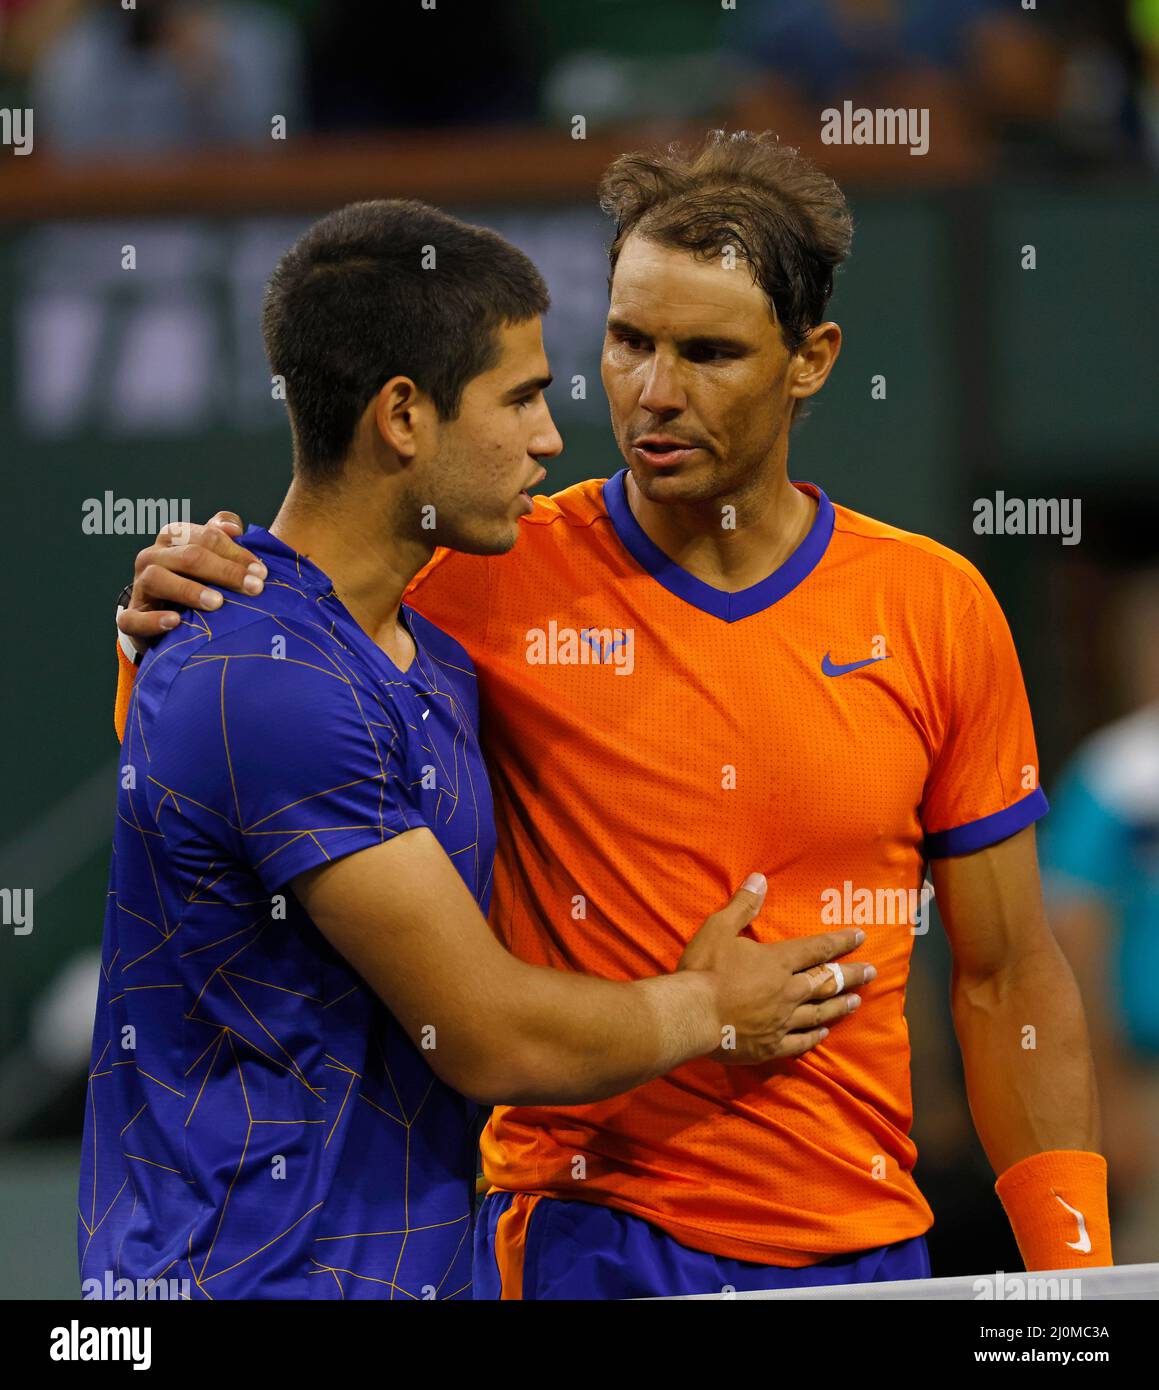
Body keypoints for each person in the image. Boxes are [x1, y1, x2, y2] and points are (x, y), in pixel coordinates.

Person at [118, 132, 1110, 1300]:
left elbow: (1005, 974)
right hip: (577, 1236)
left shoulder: (937, 608)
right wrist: (156, 612)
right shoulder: (475, 563)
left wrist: (1072, 1284)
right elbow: (228, 730)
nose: (653, 391)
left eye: (708, 352)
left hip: (866, 1254)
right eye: (630, 340)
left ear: (812, 360)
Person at [82, 196, 870, 1301]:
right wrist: (710, 1008)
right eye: (523, 398)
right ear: (404, 417)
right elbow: (485, 1034)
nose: (554, 436)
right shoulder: (257, 675)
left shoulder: (430, 653)